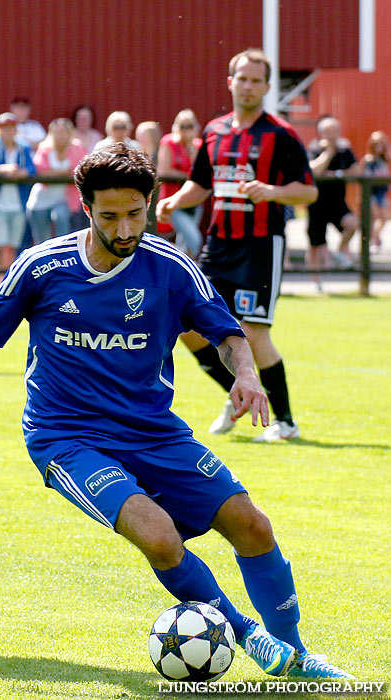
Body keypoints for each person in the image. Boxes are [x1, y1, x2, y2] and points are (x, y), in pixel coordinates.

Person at [0, 143, 352, 681]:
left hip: (155, 432)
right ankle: (247, 635)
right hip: (66, 439)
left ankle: (297, 656)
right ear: (85, 206)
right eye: (110, 216)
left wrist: (245, 375)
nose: (124, 229)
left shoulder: (170, 267)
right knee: (160, 536)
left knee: (252, 526)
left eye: (135, 214)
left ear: (152, 201)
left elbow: (227, 332)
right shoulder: (44, 266)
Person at [157, 48, 317, 443]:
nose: (247, 86)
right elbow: (201, 184)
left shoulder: (281, 134)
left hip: (260, 247)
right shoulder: (213, 131)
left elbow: (308, 192)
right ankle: (237, 393)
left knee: (251, 333)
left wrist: (274, 191)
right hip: (218, 246)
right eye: (241, 78)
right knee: (189, 328)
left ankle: (285, 422)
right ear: (230, 83)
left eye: (255, 80)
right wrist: (176, 200)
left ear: (266, 87)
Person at [0, 112, 36, 283]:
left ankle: (7, 281)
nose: (8, 132)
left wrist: (21, 173)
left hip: (18, 203)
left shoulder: (23, 147)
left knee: (11, 245)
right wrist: (4, 169)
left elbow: (32, 168)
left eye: (11, 128)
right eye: (5, 129)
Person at [306, 116, 359, 279]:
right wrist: (328, 153)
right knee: (315, 245)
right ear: (321, 132)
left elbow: (356, 171)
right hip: (316, 203)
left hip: (337, 203)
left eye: (335, 131)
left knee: (353, 224)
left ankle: (338, 252)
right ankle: (315, 282)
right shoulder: (314, 148)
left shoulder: (345, 149)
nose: (331, 135)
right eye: (328, 131)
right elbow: (313, 171)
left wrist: (336, 173)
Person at [26, 118, 87, 243]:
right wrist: (64, 172)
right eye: (57, 132)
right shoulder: (44, 149)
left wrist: (54, 173)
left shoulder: (77, 148)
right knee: (41, 238)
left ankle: (61, 253)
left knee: (61, 219)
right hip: (41, 198)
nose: (60, 135)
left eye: (63, 132)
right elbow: (39, 171)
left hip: (65, 199)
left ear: (69, 133)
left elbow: (81, 169)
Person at [156, 110, 203, 258]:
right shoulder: (169, 142)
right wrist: (186, 176)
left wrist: (191, 150)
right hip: (174, 200)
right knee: (195, 240)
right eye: (183, 126)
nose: (186, 130)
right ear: (177, 126)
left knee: (184, 243)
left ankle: (183, 273)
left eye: (190, 126)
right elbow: (164, 171)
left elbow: (200, 172)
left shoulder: (198, 145)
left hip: (194, 200)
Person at [361, 130, 390, 254]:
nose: (379, 147)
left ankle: (376, 237)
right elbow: (361, 177)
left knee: (384, 217)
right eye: (376, 144)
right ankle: (373, 242)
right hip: (370, 193)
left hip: (381, 193)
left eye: (381, 144)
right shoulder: (368, 160)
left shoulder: (384, 160)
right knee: (373, 217)